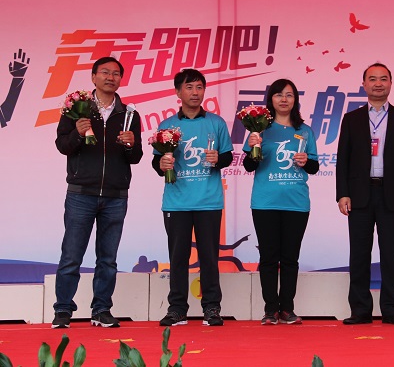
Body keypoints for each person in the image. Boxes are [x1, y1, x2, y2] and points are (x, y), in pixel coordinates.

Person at [52, 56, 143, 328]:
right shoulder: (76, 109)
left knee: (108, 259)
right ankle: (63, 310)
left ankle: (101, 309)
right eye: (104, 72)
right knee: (71, 256)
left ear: (121, 79)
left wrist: (131, 144)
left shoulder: (129, 115)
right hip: (81, 193)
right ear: (93, 77)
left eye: (115, 73)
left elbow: (136, 157)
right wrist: (78, 133)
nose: (110, 77)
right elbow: (62, 146)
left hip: (116, 195)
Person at [336, 62, 394, 325]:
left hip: (391, 194)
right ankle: (360, 310)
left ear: (390, 83)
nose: (378, 83)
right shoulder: (352, 119)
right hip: (359, 194)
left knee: (390, 254)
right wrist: (342, 193)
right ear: (364, 84)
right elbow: (343, 159)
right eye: (372, 79)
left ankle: (391, 309)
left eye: (383, 79)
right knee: (359, 254)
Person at [152, 68, 233, 327]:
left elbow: (228, 156)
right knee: (178, 258)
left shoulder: (216, 123)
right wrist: (162, 164)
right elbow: (157, 162)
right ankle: (177, 309)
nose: (195, 92)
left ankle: (212, 308)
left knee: (209, 257)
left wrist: (218, 159)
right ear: (178, 92)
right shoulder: (167, 126)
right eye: (189, 87)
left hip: (209, 201)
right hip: (176, 202)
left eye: (199, 87)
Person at [242, 79, 319, 325]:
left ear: (295, 100)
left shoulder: (305, 131)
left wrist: (306, 161)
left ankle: (287, 309)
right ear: (271, 99)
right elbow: (248, 166)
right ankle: (270, 309)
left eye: (289, 95)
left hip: (296, 203)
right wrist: (253, 147)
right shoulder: (259, 129)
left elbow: (314, 167)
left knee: (290, 258)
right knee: (268, 257)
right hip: (265, 202)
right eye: (278, 95)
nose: (284, 99)